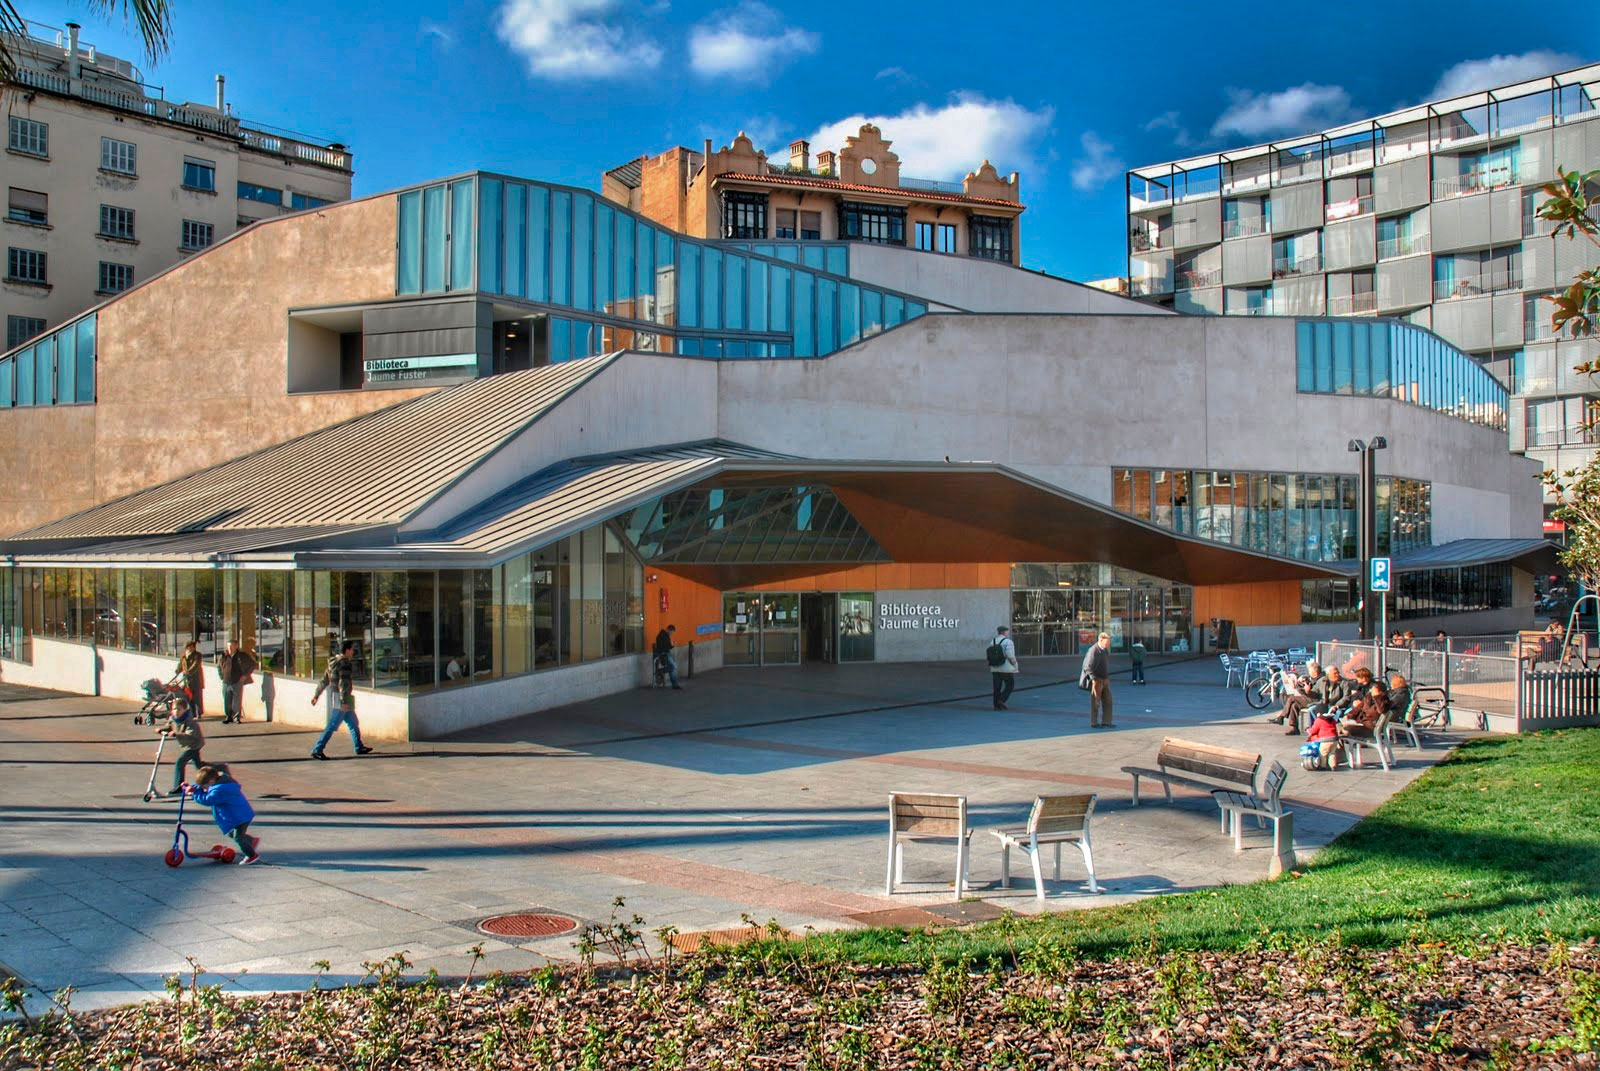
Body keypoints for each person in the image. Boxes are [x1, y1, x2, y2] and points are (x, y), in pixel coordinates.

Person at [310, 639, 373, 760]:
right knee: (332, 725)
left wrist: (316, 695)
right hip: (342, 699)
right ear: (347, 650)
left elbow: (324, 680)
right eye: (352, 649)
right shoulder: (344, 664)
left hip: (338, 697)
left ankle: (359, 746)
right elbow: (343, 683)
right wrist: (344, 702)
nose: (354, 651)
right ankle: (317, 750)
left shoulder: (333, 662)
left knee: (353, 722)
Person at [188, 764, 261, 865]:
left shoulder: (219, 790)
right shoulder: (221, 783)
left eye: (204, 786)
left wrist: (195, 793)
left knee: (238, 837)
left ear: (211, 782)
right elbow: (204, 788)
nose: (204, 789)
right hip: (238, 815)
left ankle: (251, 855)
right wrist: (193, 788)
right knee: (232, 833)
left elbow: (208, 800)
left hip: (240, 817)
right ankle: (250, 841)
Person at [160, 697, 205, 796]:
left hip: (193, 745)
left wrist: (176, 734)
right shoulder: (173, 718)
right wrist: (160, 730)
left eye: (179, 709)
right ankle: (215, 774)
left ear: (185, 710)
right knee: (199, 766)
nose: (176, 711)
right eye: (174, 709)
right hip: (186, 745)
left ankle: (178, 787)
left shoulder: (190, 722)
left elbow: (190, 735)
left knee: (180, 762)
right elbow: (169, 726)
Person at [1270, 659, 1321, 735]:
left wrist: (1297, 687)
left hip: (1314, 700)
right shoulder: (1314, 679)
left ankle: (1281, 717)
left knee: (1292, 698)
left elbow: (1313, 694)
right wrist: (1303, 683)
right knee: (1294, 705)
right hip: (1310, 698)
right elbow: (1308, 689)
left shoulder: (1320, 680)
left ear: (1315, 673)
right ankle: (1294, 728)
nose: (1309, 673)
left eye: (1310, 672)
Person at [216, 639, 258, 725]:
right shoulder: (223, 656)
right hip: (226, 681)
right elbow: (219, 667)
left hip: (237, 681)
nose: (230, 648)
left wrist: (245, 676)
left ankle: (236, 717)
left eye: (232, 646)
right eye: (228, 646)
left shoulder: (241, 656)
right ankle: (228, 716)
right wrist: (221, 676)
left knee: (236, 700)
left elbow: (253, 665)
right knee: (226, 700)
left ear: (236, 646)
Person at [1081, 631, 1113, 728]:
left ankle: (1106, 722)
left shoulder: (1105, 650)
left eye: (1109, 642)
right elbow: (1087, 666)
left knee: (1108, 701)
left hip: (1105, 679)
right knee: (1095, 702)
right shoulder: (1093, 650)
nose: (1108, 644)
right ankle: (1094, 722)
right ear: (1100, 640)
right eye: (1107, 642)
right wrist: (1093, 679)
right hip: (1097, 680)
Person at [988, 625, 1018, 710]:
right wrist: (1015, 664)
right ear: (1004, 632)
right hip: (1005, 668)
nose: (1008, 632)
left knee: (996, 687)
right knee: (1010, 684)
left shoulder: (993, 641)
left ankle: (996, 705)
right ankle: (1001, 699)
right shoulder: (1008, 642)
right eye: (1007, 631)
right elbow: (1010, 656)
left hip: (994, 667)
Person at [176, 640, 205, 720]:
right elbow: (181, 665)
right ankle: (192, 713)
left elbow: (196, 665)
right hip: (186, 679)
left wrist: (189, 671)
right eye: (188, 647)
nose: (190, 649)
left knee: (197, 697)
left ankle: (199, 713)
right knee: (189, 697)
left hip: (196, 679)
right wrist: (178, 670)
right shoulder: (183, 656)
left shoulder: (197, 655)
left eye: (192, 647)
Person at [652, 624, 682, 690]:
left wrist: (671, 645)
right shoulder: (665, 636)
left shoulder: (661, 635)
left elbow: (665, 646)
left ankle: (674, 684)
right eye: (671, 632)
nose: (671, 634)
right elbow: (668, 647)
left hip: (663, 654)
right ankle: (661, 671)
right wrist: (673, 645)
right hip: (664, 654)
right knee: (673, 667)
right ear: (668, 630)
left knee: (672, 667)